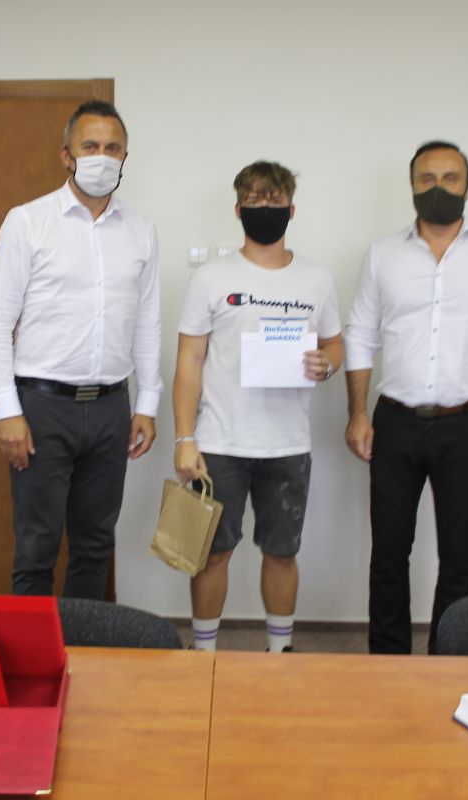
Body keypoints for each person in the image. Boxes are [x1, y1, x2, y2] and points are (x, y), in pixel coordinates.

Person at [343, 141, 468, 654]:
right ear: (412, 187)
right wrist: (357, 413)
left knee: (459, 557)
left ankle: (448, 662)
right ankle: (386, 664)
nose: (439, 188)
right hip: (394, 423)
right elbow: (361, 335)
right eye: (427, 179)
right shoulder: (383, 255)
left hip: (466, 426)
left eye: (450, 178)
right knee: (388, 555)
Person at [0, 100, 162, 599]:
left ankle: (85, 645)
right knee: (36, 547)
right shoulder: (27, 222)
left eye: (112, 148)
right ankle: (31, 648)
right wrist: (6, 411)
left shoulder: (141, 231)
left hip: (110, 409)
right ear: (66, 155)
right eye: (90, 146)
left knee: (95, 545)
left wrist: (147, 403)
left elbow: (147, 322)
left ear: (125, 157)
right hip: (42, 409)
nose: (102, 157)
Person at [173, 161, 342, 653]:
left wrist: (327, 365)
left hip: (288, 444)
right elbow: (189, 362)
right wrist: (184, 438)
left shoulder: (317, 279)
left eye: (274, 200)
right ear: (238, 209)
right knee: (212, 554)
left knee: (282, 553)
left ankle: (280, 653)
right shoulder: (211, 278)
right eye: (254, 200)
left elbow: (335, 345)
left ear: (291, 209)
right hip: (219, 443)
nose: (264, 207)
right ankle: (205, 654)